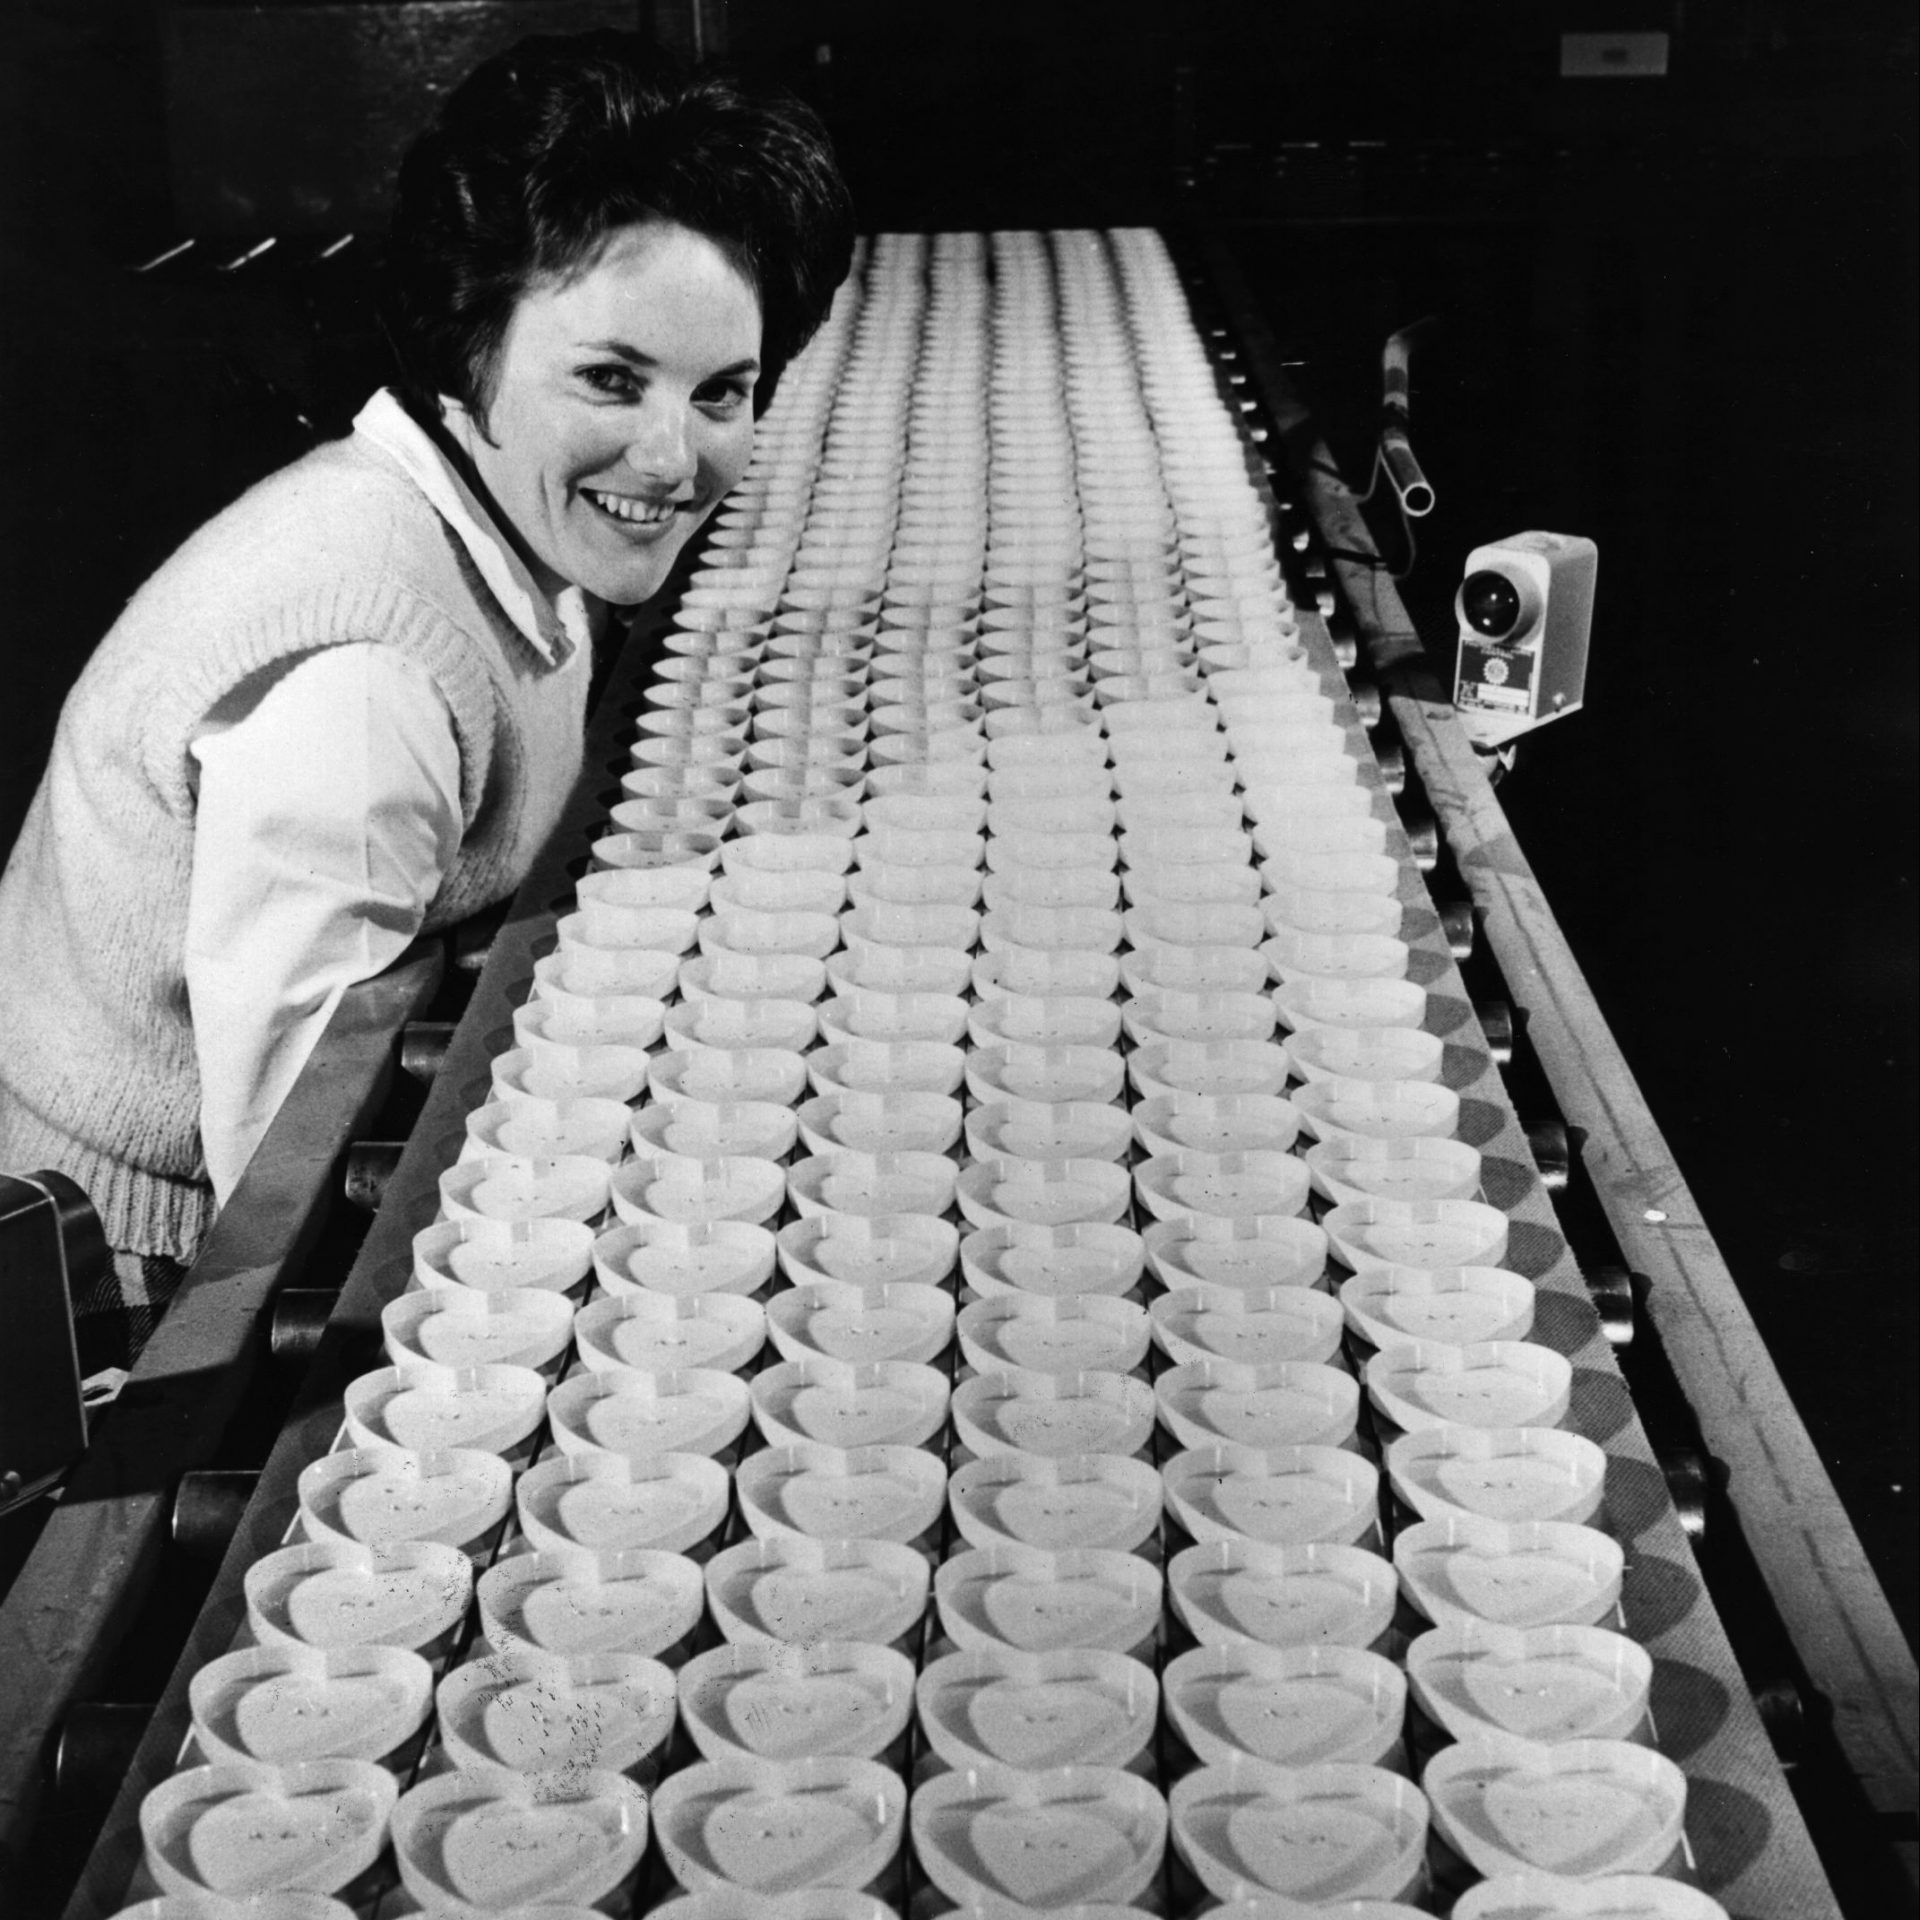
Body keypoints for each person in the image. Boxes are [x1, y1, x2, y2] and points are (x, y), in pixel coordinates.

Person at [0, 30, 855, 1368]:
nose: (672, 457)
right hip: (122, 1291)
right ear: (474, 338)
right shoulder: (365, 678)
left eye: (723, 393)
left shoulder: (508, 534)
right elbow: (287, 1172)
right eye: (611, 380)